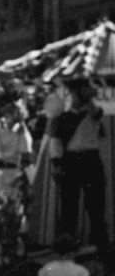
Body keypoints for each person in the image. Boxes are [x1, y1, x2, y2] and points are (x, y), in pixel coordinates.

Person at [43, 77, 109, 251]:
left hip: (90, 159)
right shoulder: (62, 117)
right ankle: (68, 240)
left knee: (95, 202)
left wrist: (87, 95)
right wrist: (56, 163)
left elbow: (96, 113)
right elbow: (55, 142)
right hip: (71, 160)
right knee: (69, 203)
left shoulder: (93, 112)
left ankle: (99, 241)